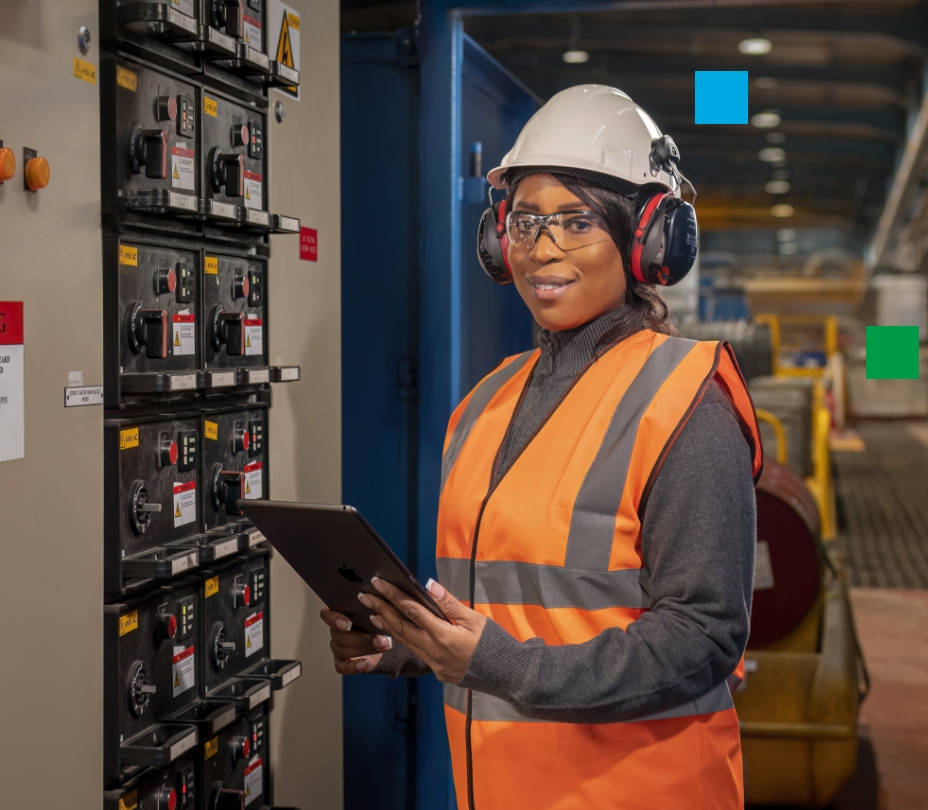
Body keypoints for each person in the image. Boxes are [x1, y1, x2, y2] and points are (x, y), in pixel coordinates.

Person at [321, 85, 763, 809]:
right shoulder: (487, 401)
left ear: (648, 239)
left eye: (576, 221)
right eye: (524, 222)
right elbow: (511, 612)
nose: (541, 249)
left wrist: (498, 664)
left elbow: (702, 638)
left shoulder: (688, 400)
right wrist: (404, 646)